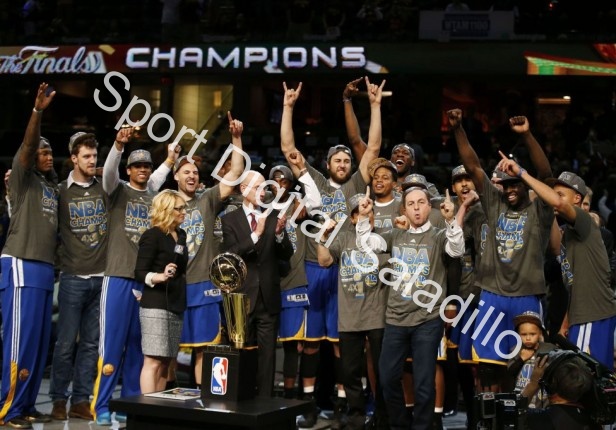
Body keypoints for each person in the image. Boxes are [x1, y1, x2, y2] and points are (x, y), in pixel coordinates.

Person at [280, 78, 384, 428]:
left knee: (344, 344)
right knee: (310, 344)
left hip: (346, 272)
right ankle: (309, 403)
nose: (342, 163)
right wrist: (288, 107)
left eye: (346, 160)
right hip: (314, 268)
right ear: (327, 164)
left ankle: (344, 405)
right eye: (337, 160)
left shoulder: (356, 184)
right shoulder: (316, 183)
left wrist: (375, 106)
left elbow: (373, 147)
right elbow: (288, 149)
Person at [449, 109, 554, 392]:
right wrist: (458, 128)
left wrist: (527, 136)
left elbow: (546, 174)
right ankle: (488, 415)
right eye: (504, 185)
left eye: (514, 184)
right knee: (488, 369)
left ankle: (518, 413)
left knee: (523, 367)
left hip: (527, 297)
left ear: (524, 183)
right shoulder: (495, 204)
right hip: (492, 295)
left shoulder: (539, 210)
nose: (509, 190)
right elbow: (473, 166)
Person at [357, 186, 471, 430]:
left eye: (421, 203)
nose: (417, 208)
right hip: (395, 319)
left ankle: (422, 427)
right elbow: (367, 245)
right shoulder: (395, 235)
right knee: (387, 377)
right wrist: (365, 218)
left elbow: (457, 249)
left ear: (429, 207)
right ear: (404, 209)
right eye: (411, 204)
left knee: (424, 383)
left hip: (427, 320)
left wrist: (451, 220)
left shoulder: (439, 236)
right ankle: (399, 425)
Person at [90, 130, 178, 425]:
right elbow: (109, 171)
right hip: (117, 277)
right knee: (111, 346)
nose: (142, 169)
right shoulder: (116, 189)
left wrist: (170, 160)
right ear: (128, 170)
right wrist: (118, 145)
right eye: (137, 165)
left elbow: (159, 176)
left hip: (146, 280)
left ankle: (129, 402)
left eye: (146, 166)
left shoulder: (153, 195)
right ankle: (102, 405)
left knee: (140, 347)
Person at [496, 160, 616, 370]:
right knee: (591, 377)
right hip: (584, 315)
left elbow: (559, 204)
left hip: (593, 316)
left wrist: (522, 173)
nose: (555, 197)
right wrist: (566, 322)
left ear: (577, 198)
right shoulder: (569, 233)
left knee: (585, 376)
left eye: (560, 193)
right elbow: (573, 279)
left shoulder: (584, 220)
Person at [0, 83, 57, 429]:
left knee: (37, 343)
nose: (47, 156)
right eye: (43, 153)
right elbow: (28, 145)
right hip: (21, 262)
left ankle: (27, 403)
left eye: (51, 153)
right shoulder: (22, 179)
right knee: (19, 341)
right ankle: (8, 409)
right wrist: (37, 112)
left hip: (45, 268)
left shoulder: (51, 187)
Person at [175, 112, 245, 389]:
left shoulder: (207, 200)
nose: (192, 175)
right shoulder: (166, 202)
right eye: (186, 172)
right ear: (175, 176)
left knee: (205, 348)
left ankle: (202, 397)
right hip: (175, 285)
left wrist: (236, 139)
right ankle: (165, 401)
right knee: (169, 349)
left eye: (195, 172)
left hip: (204, 284)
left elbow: (235, 172)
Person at [317, 190, 390, 430]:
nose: (365, 216)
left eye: (369, 212)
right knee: (350, 372)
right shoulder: (344, 239)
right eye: (359, 213)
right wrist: (323, 237)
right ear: (352, 218)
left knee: (381, 371)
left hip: (377, 315)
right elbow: (324, 261)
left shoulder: (383, 239)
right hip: (349, 317)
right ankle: (357, 416)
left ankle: (382, 417)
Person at [49, 132, 107, 422]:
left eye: (94, 156)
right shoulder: (61, 191)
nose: (92, 160)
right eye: (86, 156)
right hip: (72, 277)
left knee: (91, 345)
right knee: (65, 343)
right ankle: (59, 399)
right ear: (73, 158)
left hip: (102, 277)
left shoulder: (105, 187)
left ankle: (81, 400)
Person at [221, 170, 294, 397]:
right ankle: (237, 400)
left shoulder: (273, 216)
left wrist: (280, 235)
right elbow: (230, 255)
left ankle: (264, 403)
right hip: (240, 298)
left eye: (265, 188)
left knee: (268, 356)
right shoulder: (229, 220)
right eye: (258, 188)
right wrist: (255, 236)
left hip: (268, 298)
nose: (263, 192)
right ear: (244, 189)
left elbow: (287, 254)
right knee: (239, 353)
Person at [135, 189, 188, 393]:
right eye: (179, 208)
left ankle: (157, 405)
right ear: (166, 210)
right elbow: (139, 272)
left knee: (166, 361)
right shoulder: (152, 235)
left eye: (184, 208)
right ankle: (147, 407)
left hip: (175, 303)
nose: (184, 212)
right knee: (153, 361)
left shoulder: (181, 235)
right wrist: (159, 276)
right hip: (156, 305)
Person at [342, 77, 414, 193]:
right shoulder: (376, 177)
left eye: (405, 153)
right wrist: (347, 99)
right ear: (390, 160)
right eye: (396, 153)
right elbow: (356, 141)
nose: (400, 155)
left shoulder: (420, 186)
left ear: (413, 161)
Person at [523, 353, 601, 430]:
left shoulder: (541, 419)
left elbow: (517, 413)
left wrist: (533, 383)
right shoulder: (593, 421)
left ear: (552, 383)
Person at [506, 311, 550, 409]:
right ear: (518, 334)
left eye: (532, 334)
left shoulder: (549, 350)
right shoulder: (515, 350)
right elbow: (509, 373)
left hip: (541, 401)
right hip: (520, 398)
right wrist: (521, 359)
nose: (528, 338)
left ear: (540, 333)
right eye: (524, 334)